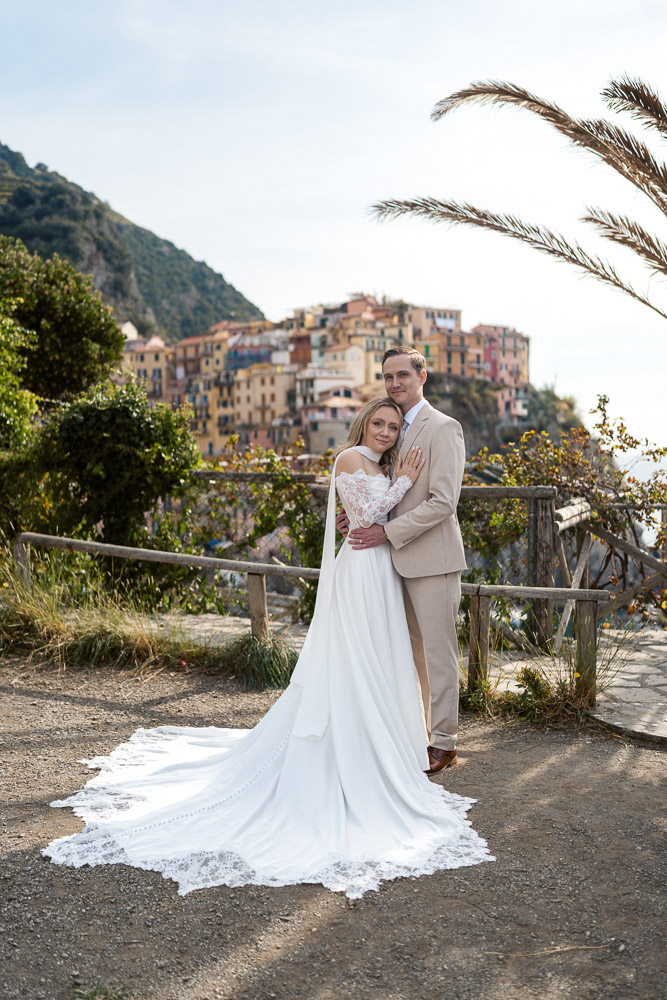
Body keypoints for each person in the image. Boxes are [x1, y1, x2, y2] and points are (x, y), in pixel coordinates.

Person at [43, 397, 491, 899]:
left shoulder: (391, 457)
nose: (387, 431)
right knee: (356, 661)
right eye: (379, 423)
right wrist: (402, 482)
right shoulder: (349, 459)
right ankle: (357, 745)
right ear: (363, 424)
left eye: (392, 425)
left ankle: (389, 740)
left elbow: (378, 516)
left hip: (382, 569)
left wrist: (394, 483)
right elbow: (365, 512)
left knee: (382, 661)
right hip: (363, 571)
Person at [340, 348, 466, 776]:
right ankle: (419, 734)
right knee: (410, 655)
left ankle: (444, 742)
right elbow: (379, 491)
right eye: (388, 377)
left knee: (438, 654)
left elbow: (444, 502)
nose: (395, 383)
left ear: (422, 375)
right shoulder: (392, 428)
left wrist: (385, 532)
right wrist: (356, 517)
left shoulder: (444, 428)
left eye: (403, 375)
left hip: (432, 560)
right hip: (391, 563)